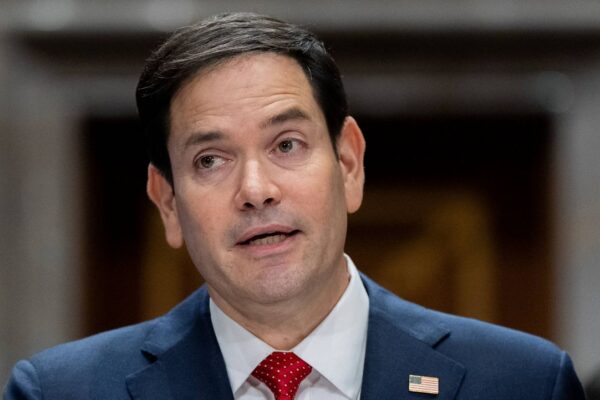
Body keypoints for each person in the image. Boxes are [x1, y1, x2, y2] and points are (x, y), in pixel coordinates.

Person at [4, 12, 585, 400]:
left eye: (287, 145)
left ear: (349, 164)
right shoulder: (61, 392)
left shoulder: (522, 382)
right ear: (168, 204)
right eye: (211, 159)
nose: (256, 189)